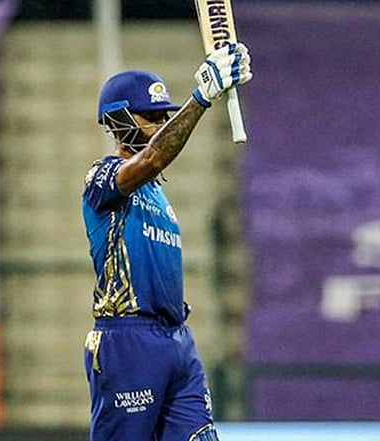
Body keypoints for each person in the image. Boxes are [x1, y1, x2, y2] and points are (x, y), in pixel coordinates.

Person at [81, 43, 252, 441]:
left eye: (165, 116)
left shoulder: (159, 194)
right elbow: (152, 159)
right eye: (151, 117)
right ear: (118, 120)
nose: (160, 124)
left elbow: (156, 162)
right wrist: (201, 99)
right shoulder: (102, 178)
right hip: (127, 339)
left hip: (177, 339)